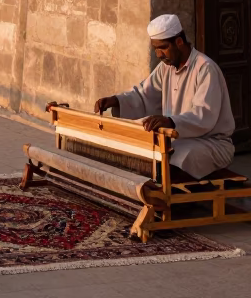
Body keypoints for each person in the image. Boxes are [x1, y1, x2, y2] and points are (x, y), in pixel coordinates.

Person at [94, 13, 236, 180]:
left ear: (179, 42)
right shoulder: (165, 68)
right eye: (155, 49)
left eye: (162, 47)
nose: (159, 54)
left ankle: (169, 202)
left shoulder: (205, 69)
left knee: (177, 156)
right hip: (175, 137)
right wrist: (116, 100)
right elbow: (143, 94)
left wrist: (171, 122)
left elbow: (203, 115)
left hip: (211, 143)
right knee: (146, 148)